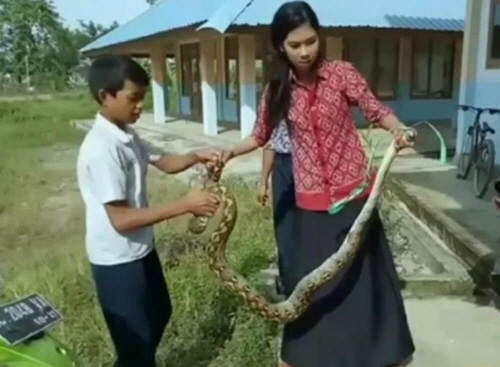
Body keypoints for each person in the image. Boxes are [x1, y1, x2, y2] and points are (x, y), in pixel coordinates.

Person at [220, 2, 416, 366]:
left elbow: (376, 110)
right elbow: (260, 135)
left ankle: (377, 354)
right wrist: (227, 152)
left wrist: (399, 129)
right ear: (281, 46)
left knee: (364, 283)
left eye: (311, 41)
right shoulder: (277, 89)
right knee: (314, 286)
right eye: (295, 45)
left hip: (354, 196)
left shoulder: (342, 74)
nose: (306, 51)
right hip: (310, 203)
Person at [76, 55, 221, 367]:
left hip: (140, 250)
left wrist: (197, 155)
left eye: (143, 98)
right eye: (134, 98)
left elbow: (164, 162)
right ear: (106, 96)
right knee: (137, 346)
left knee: (159, 313)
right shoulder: (102, 148)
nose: (141, 106)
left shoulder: (127, 134)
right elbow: (122, 219)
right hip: (117, 261)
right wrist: (185, 205)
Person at [258, 120, 295, 295]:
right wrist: (263, 181)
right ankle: (288, 280)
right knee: (284, 227)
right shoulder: (277, 97)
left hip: (312, 165)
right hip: (283, 165)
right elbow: (270, 141)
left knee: (311, 224)